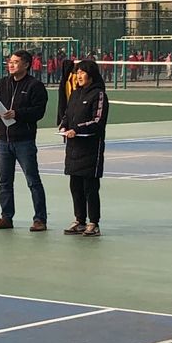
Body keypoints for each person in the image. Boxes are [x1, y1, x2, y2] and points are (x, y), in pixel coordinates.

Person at [0, 50, 48, 231]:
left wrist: (17, 114)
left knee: (33, 180)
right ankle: (6, 217)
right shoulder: (2, 83)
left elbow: (38, 111)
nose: (11, 64)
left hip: (24, 141)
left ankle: (40, 219)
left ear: (26, 64)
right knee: (5, 181)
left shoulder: (35, 86)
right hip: (3, 140)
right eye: (10, 61)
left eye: (15, 62)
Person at [58, 59, 109, 237]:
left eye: (82, 72)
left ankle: (93, 223)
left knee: (90, 188)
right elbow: (67, 115)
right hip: (73, 148)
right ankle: (79, 221)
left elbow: (98, 121)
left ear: (91, 75)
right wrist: (63, 126)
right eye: (77, 72)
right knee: (75, 186)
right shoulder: (75, 94)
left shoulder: (99, 94)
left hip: (91, 149)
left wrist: (77, 129)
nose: (78, 76)